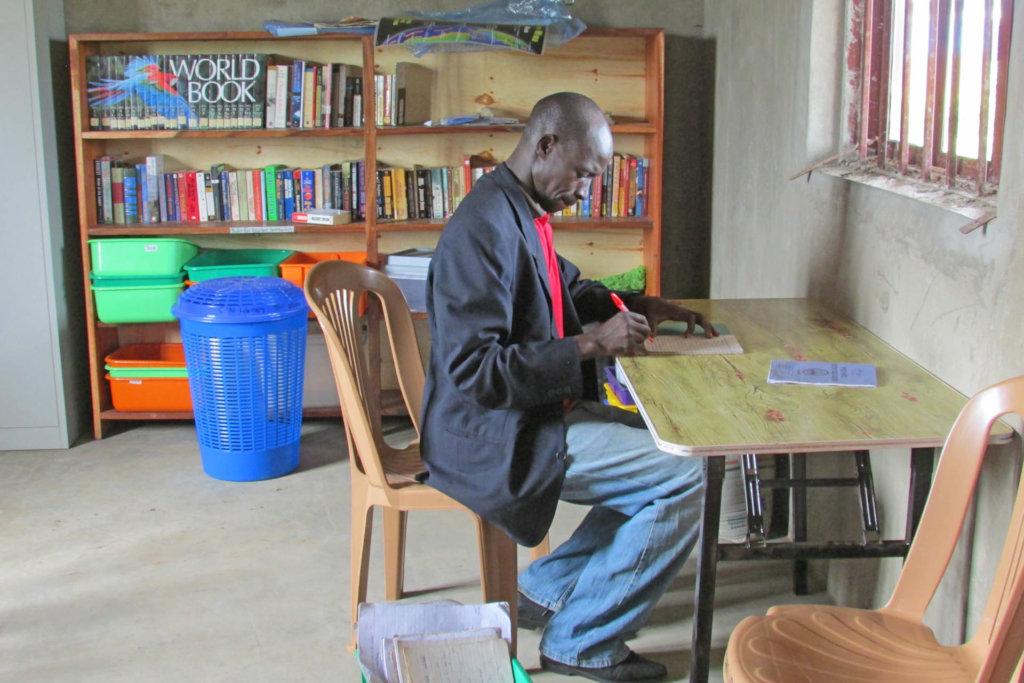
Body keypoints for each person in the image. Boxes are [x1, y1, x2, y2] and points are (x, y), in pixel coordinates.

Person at [420, 91, 716, 682]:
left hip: (534, 412)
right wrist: (590, 344)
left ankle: (548, 588)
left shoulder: (521, 208)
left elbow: (565, 290)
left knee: (661, 443)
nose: (584, 190)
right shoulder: (482, 229)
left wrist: (637, 305)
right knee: (689, 474)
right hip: (494, 435)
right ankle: (583, 640)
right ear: (545, 145)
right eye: (582, 173)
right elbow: (475, 372)